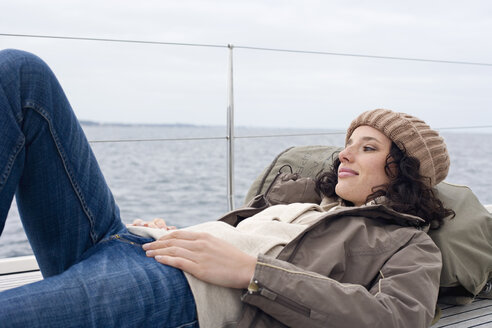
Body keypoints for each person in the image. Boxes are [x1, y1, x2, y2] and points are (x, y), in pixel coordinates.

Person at [0, 49, 453, 328]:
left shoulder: (408, 243)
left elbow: (394, 319)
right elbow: (231, 241)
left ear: (404, 172)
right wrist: (172, 233)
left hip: (177, 291)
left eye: (367, 147)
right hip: (135, 248)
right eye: (346, 144)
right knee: (22, 74)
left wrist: (253, 272)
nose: (343, 155)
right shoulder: (301, 199)